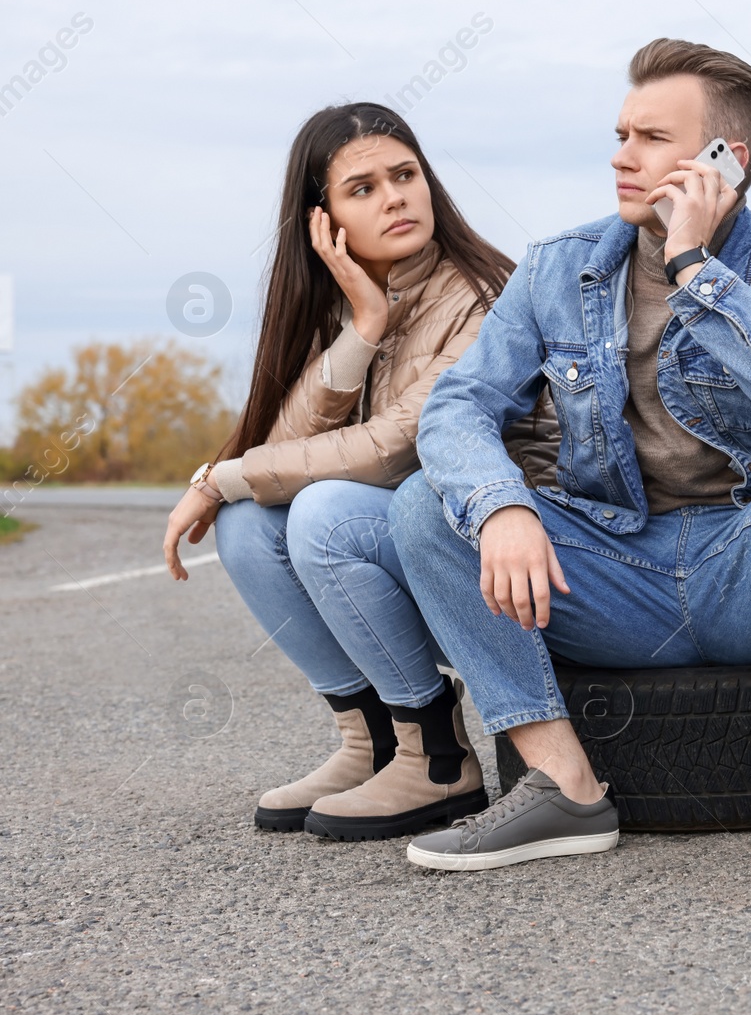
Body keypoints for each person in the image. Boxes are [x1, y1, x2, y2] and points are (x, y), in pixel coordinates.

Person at [388, 39, 751, 902]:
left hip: (750, 575)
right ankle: (563, 787)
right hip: (615, 574)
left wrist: (695, 269)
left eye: (648, 136)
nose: (620, 154)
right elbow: (457, 408)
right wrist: (502, 509)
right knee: (427, 506)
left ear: (727, 161)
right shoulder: (558, 265)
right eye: (620, 131)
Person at [161, 102, 559, 842]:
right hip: (438, 543)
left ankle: (438, 759)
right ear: (325, 221)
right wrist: (364, 328)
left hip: (523, 555)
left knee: (324, 514)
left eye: (405, 175)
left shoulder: (481, 297)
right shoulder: (366, 304)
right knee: (249, 524)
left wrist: (218, 475)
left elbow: (393, 449)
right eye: (364, 188)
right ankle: (375, 743)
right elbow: (287, 445)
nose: (396, 197)